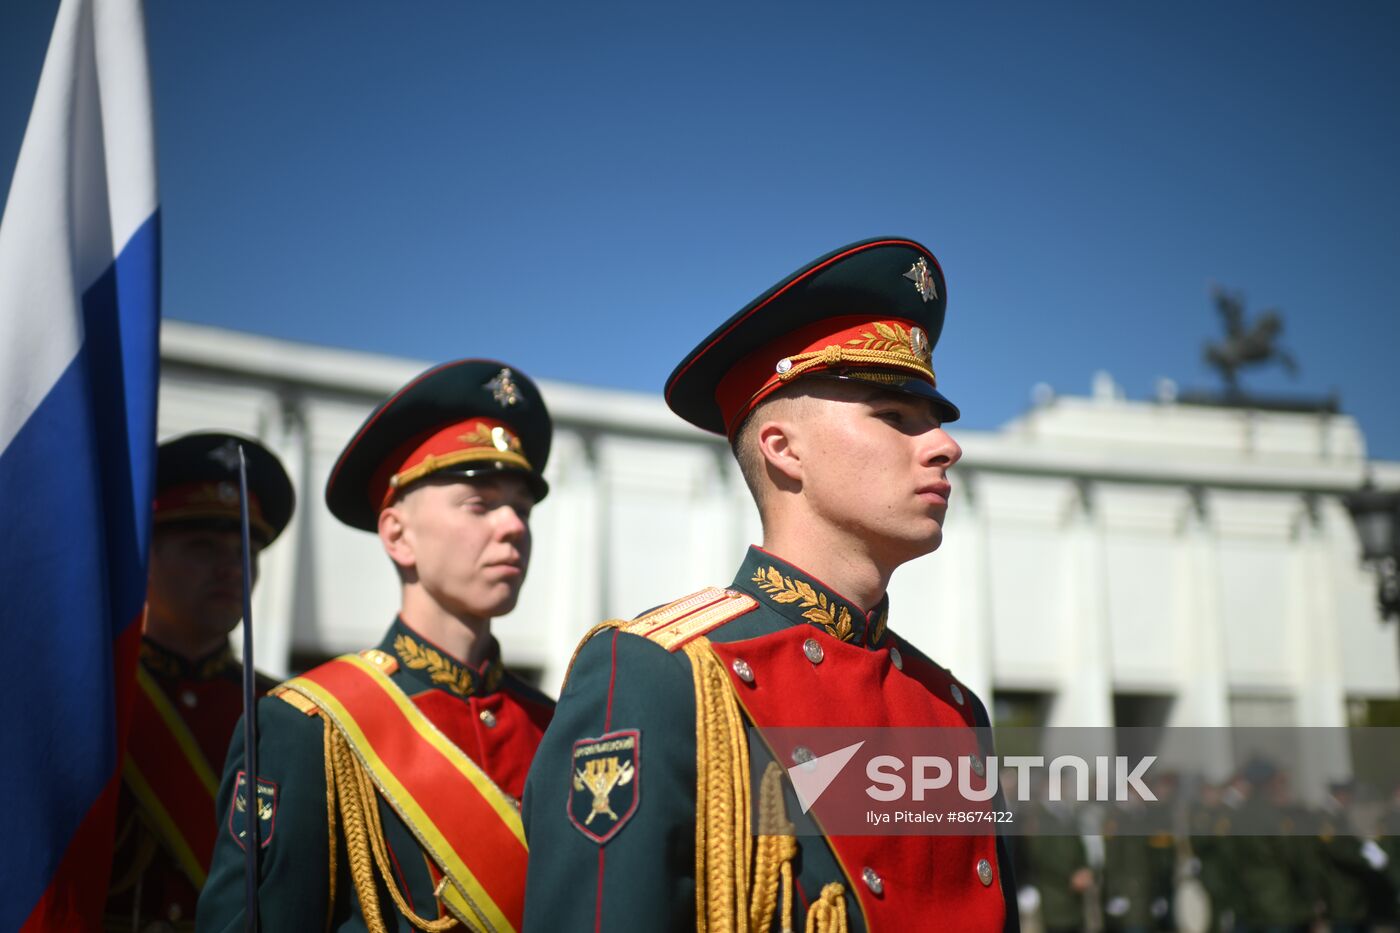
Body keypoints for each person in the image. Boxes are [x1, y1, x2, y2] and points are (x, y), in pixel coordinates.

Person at [522, 238, 1018, 931]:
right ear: (783, 450)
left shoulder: (955, 709)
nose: (944, 445)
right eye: (895, 416)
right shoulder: (659, 675)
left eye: (934, 422)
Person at [197, 360, 555, 933]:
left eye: (523, 507)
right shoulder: (307, 724)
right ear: (397, 534)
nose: (513, 525)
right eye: (481, 503)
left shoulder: (553, 723)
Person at [105, 432, 294, 932]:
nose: (231, 569)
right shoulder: (93, 698)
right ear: (146, 556)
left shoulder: (283, 711)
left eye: (244, 551)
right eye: (202, 547)